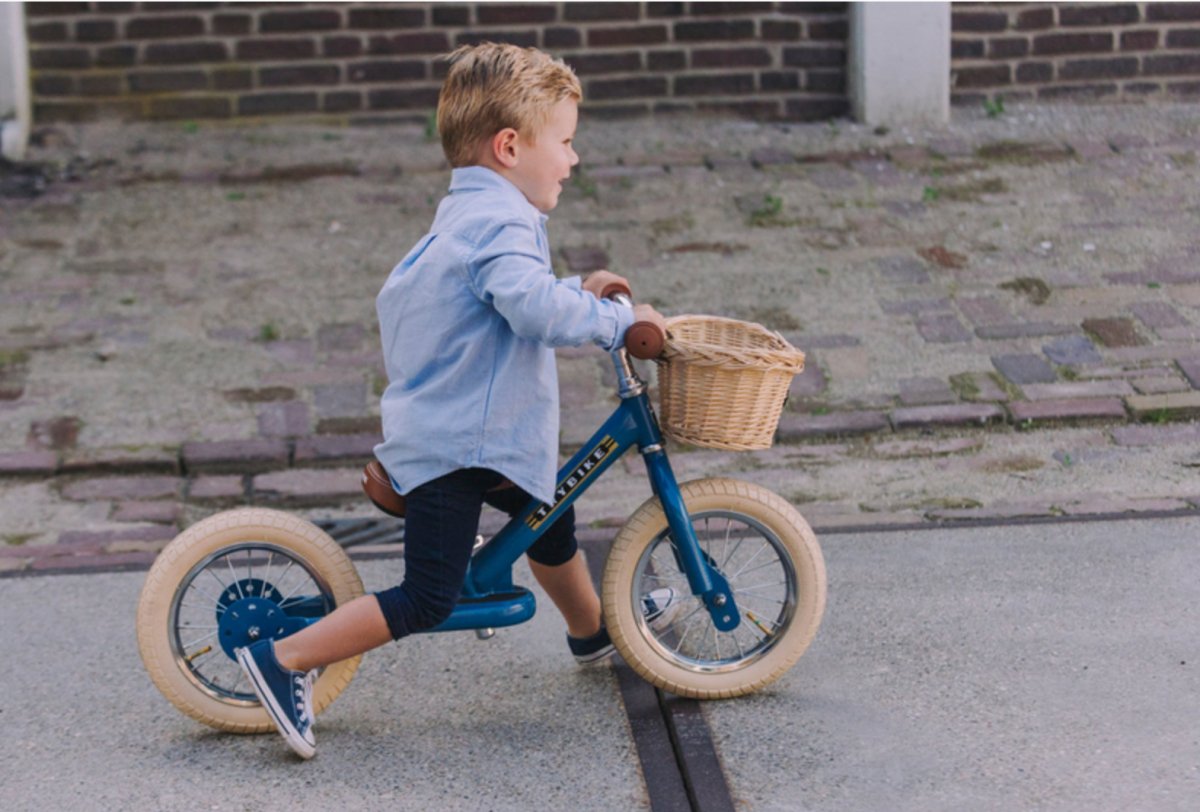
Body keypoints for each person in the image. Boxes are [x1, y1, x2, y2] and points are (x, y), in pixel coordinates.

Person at [236, 42, 671, 759]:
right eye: (564, 142)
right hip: (459, 446)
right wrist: (619, 323)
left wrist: (578, 293)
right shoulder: (498, 223)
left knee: (549, 521)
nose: (574, 158)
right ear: (509, 146)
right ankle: (282, 661)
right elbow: (529, 310)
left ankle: (594, 629)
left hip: (471, 431)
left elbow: (513, 297)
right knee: (428, 598)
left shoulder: (478, 213)